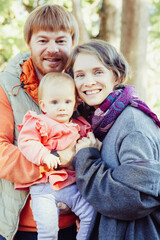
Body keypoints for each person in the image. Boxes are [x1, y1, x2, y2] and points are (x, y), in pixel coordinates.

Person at [65, 39, 160, 239]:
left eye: (98, 72)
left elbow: (136, 197)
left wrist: (86, 160)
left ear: (116, 75)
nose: (88, 82)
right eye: (80, 75)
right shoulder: (101, 121)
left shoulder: (133, 125)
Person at [0, 4, 80, 240]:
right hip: (20, 226)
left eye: (61, 41)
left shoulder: (83, 84)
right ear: (29, 43)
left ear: (72, 43)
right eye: (43, 40)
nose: (52, 50)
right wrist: (54, 161)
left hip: (72, 221)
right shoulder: (8, 86)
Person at [16, 72, 95, 240]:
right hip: (45, 188)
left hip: (72, 186)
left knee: (90, 213)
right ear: (43, 106)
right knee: (48, 229)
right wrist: (45, 155)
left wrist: (90, 144)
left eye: (67, 102)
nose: (62, 107)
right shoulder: (39, 122)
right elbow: (26, 141)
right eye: (55, 102)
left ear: (74, 105)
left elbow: (89, 143)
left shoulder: (79, 125)